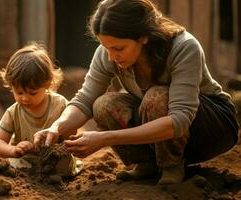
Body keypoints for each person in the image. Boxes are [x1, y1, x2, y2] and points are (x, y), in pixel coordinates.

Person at [34, 0, 239, 185]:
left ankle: (171, 166)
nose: (111, 56)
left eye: (119, 48)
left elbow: (180, 119)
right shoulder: (108, 54)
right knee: (103, 105)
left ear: (144, 37)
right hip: (164, 125)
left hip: (212, 128)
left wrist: (105, 138)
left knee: (156, 96)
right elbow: (85, 99)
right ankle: (147, 164)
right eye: (105, 47)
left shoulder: (183, 47)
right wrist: (56, 127)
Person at [0, 42, 82, 176]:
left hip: (54, 159)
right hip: (24, 160)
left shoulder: (60, 104)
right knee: (14, 166)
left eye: (32, 93)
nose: (25, 98)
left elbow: (71, 135)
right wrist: (14, 150)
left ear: (48, 84)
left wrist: (59, 143)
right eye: (19, 92)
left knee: (63, 167)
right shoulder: (13, 112)